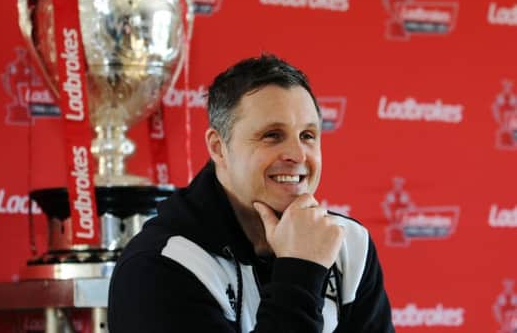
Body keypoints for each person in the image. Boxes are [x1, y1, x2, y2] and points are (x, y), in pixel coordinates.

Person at [108, 54, 394, 332]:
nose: (297, 154)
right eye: (272, 135)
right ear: (218, 147)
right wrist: (300, 271)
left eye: (307, 136)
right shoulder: (157, 268)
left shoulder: (349, 244)